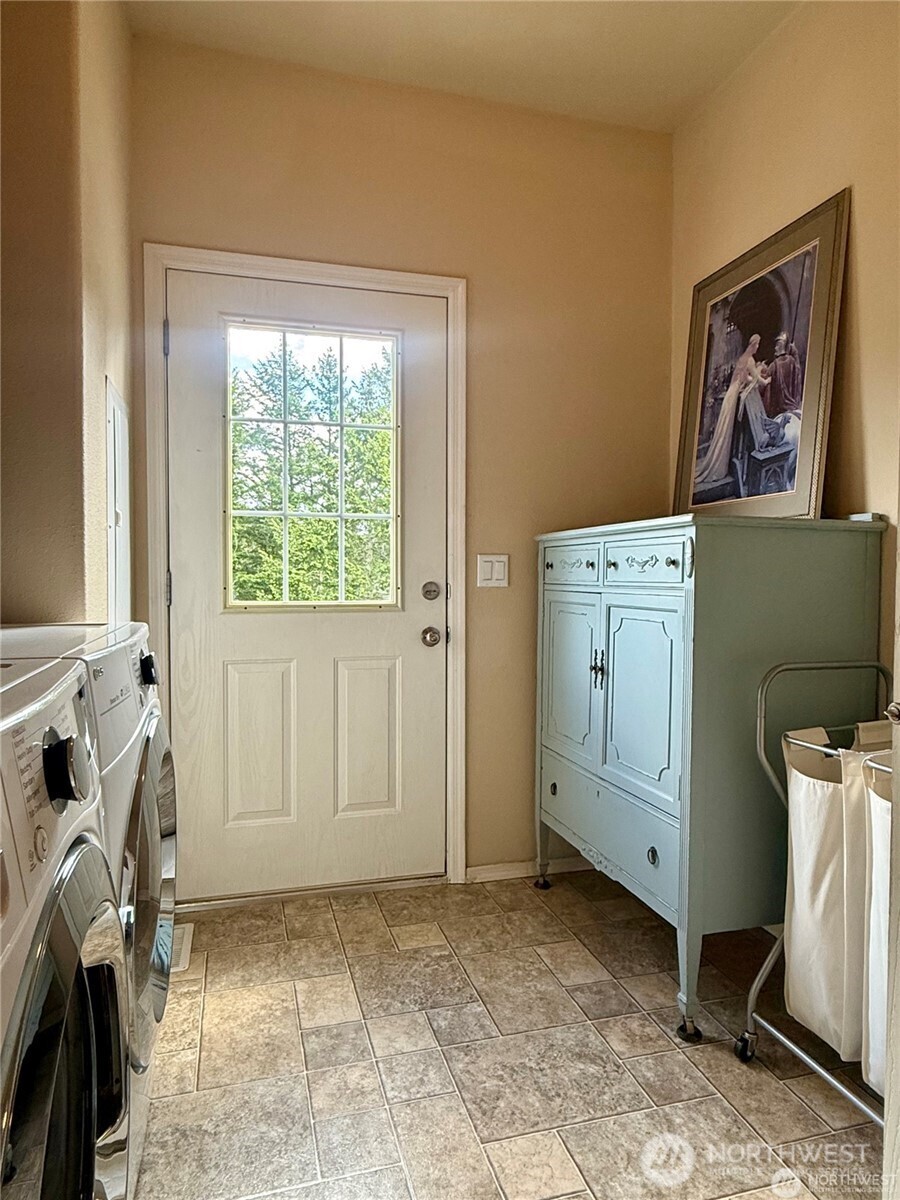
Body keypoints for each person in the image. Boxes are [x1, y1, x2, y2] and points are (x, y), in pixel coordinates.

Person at [694, 333, 762, 487]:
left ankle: (718, 463)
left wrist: (754, 374)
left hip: (730, 396)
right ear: (753, 344)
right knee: (725, 432)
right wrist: (765, 374)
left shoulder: (742, 359)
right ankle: (718, 467)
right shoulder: (750, 360)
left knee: (723, 431)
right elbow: (758, 380)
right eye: (757, 344)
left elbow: (744, 378)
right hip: (733, 399)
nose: (758, 347)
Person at [759, 332, 803, 417]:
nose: (775, 348)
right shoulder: (792, 361)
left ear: (781, 346)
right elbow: (797, 374)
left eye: (777, 345)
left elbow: (763, 385)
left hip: (777, 409)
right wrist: (795, 353)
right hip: (792, 405)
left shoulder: (774, 365)